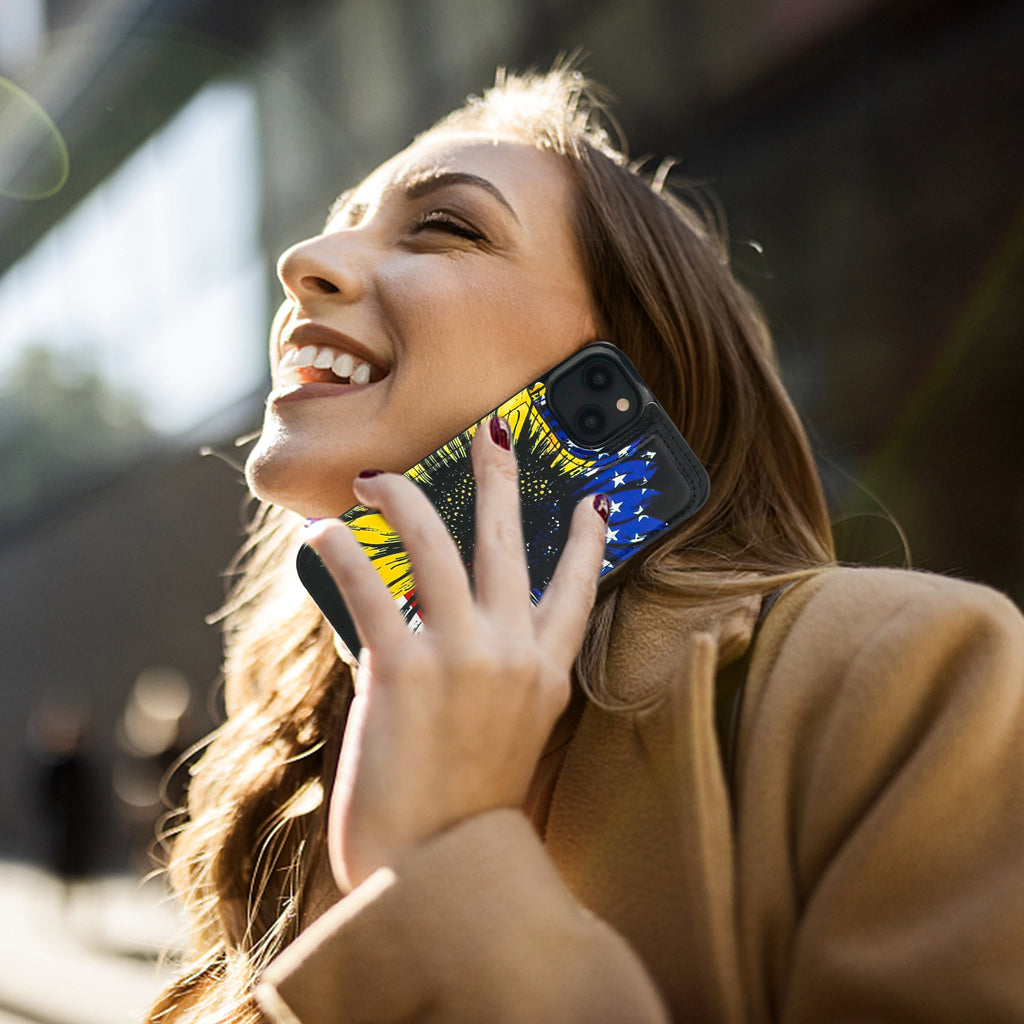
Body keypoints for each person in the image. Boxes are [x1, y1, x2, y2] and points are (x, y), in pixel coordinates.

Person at [147, 67, 1024, 1024]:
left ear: (629, 366)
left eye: (446, 226)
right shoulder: (296, 742)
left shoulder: (904, 677)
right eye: (340, 221)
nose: (305, 259)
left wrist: (449, 857)